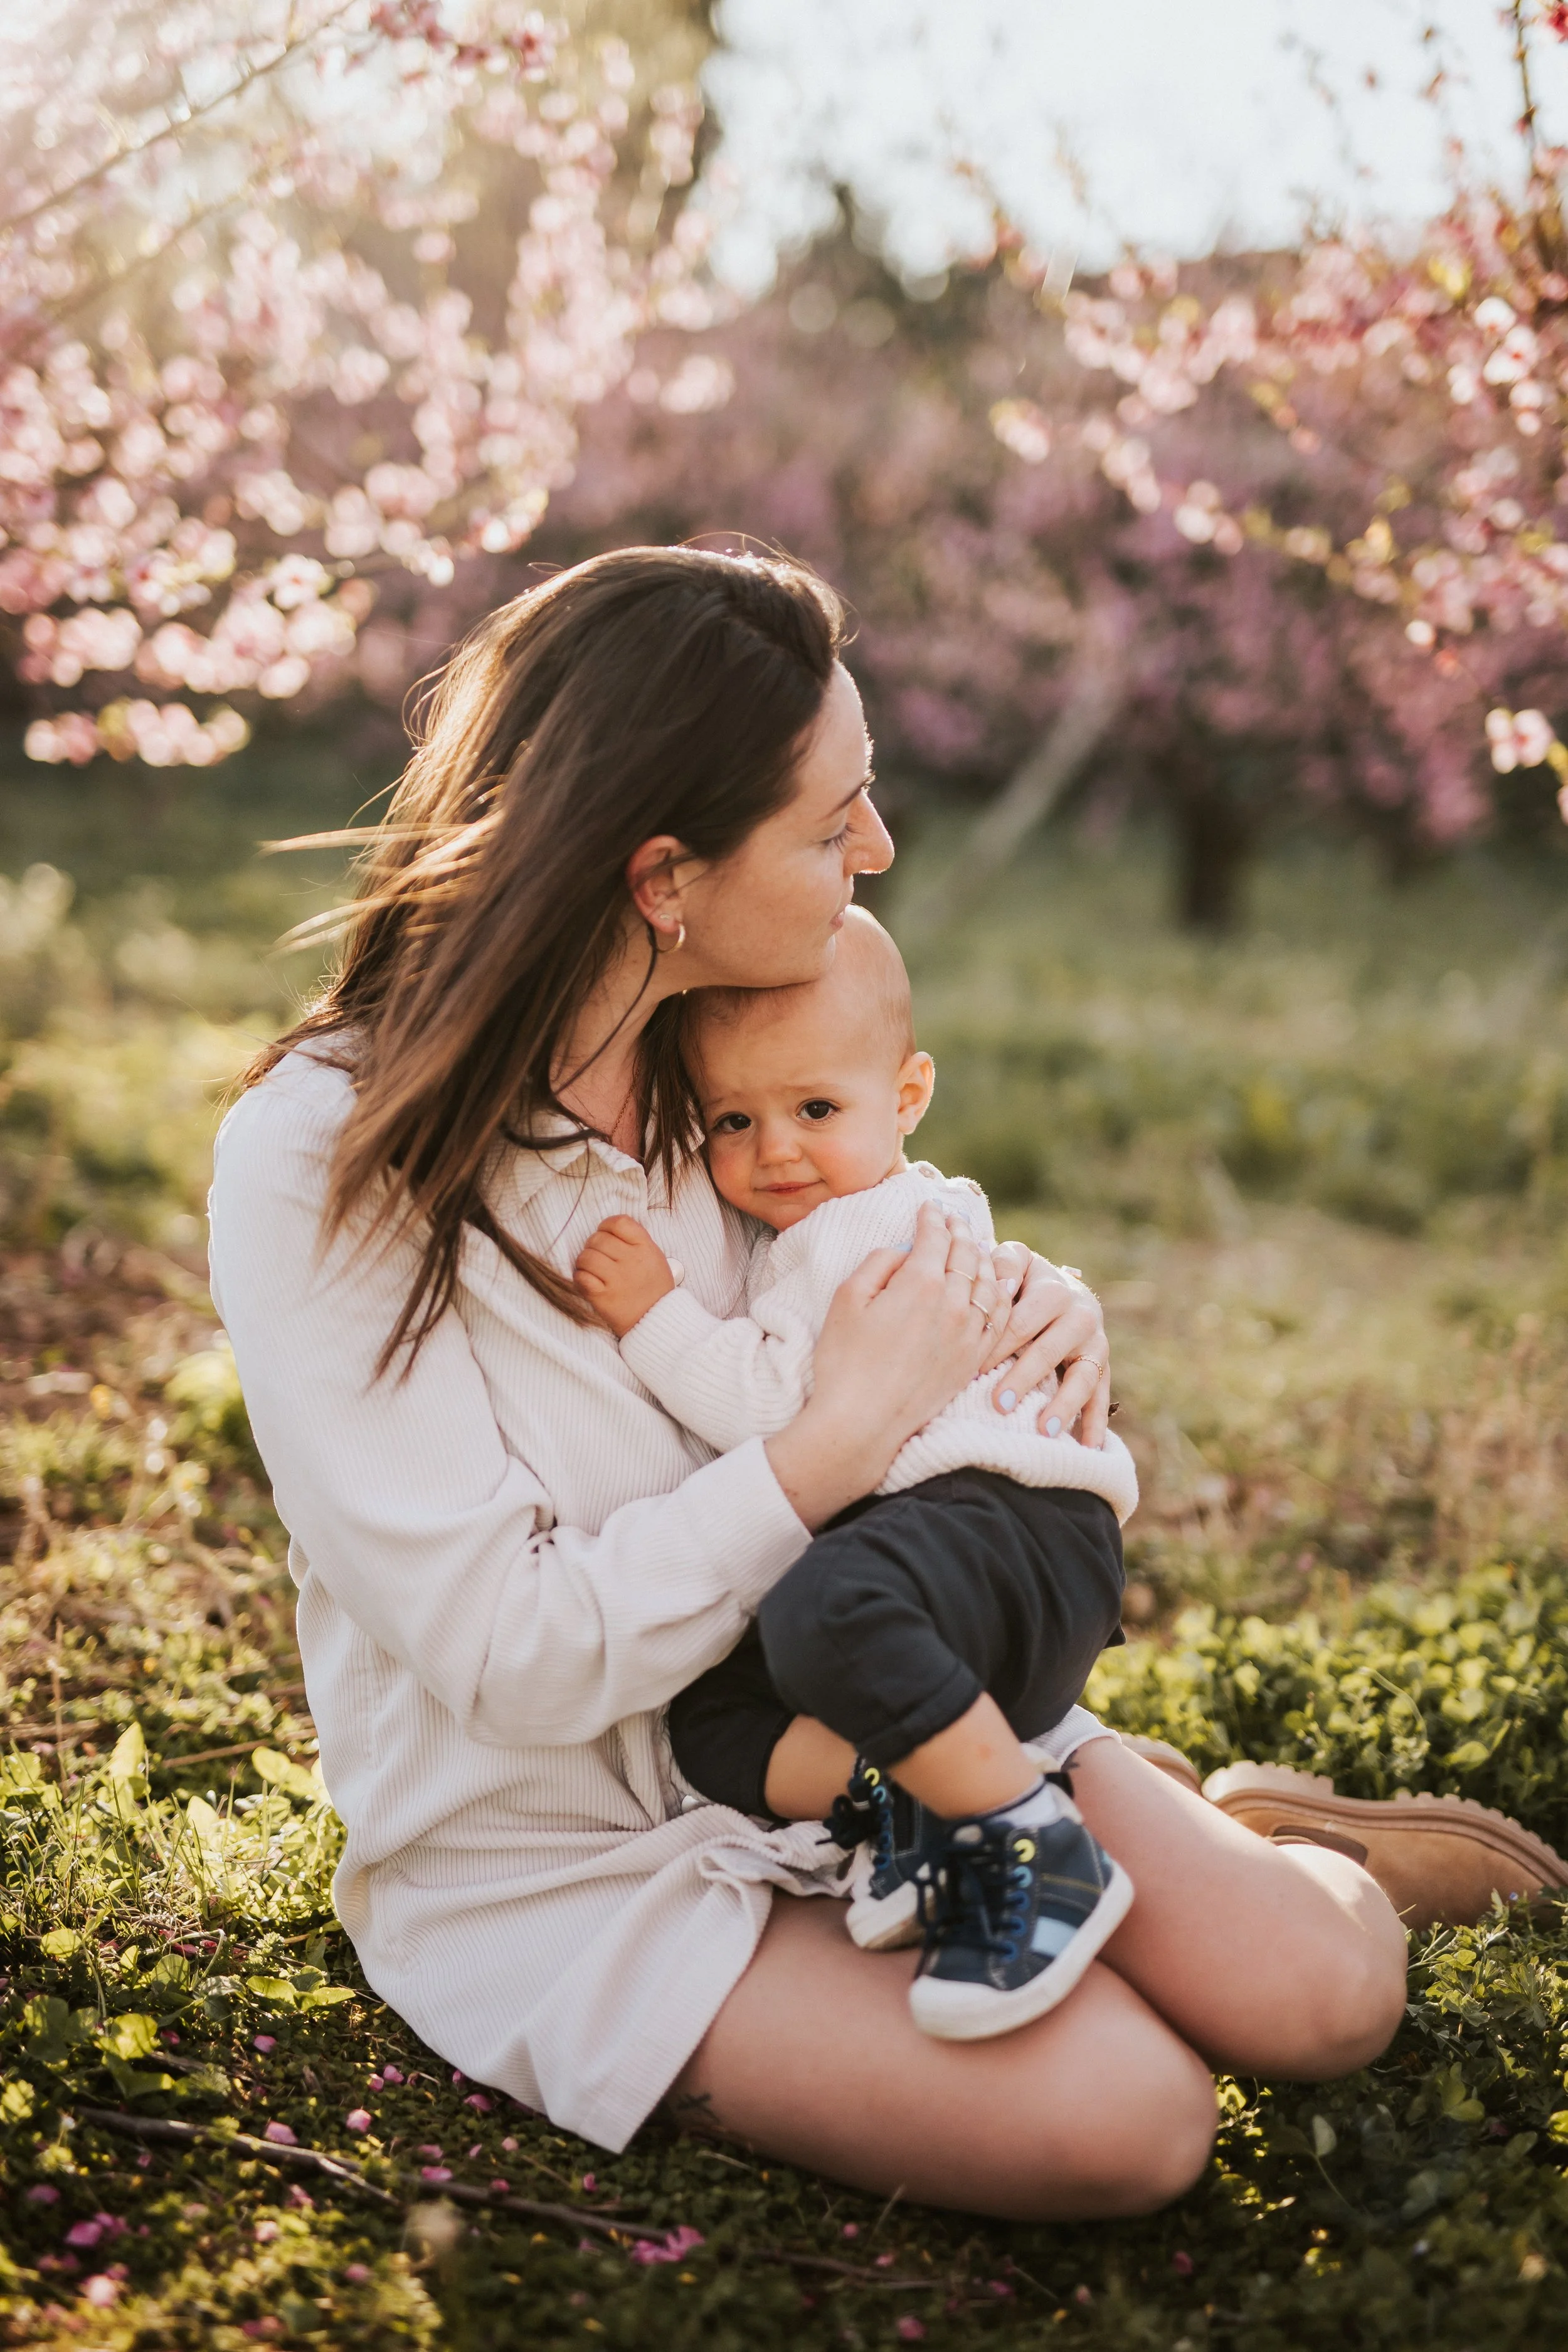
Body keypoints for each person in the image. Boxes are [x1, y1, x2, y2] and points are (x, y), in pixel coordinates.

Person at [209, 544, 1409, 2222]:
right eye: (831, 814)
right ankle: (1115, 1852)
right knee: (1133, 2118)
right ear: (661, 875)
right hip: (565, 1853)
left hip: (873, 1721)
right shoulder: (320, 1157)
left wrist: (1037, 1306)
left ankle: (1272, 1841)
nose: (878, 846)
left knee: (1322, 1996)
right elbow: (509, 1652)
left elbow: (877, 1233)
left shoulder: (723, 1047)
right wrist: (833, 1445)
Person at [572, 908, 1141, 2041]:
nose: (776, 1148)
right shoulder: (889, 1209)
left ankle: (1033, 1840)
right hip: (981, 1580)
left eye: (816, 1110)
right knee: (717, 1717)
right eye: (734, 1119)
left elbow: (790, 1410)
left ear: (909, 1095)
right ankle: (917, 1803)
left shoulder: (859, 1233)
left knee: (822, 1608)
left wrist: (655, 1320)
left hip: (1008, 1525)